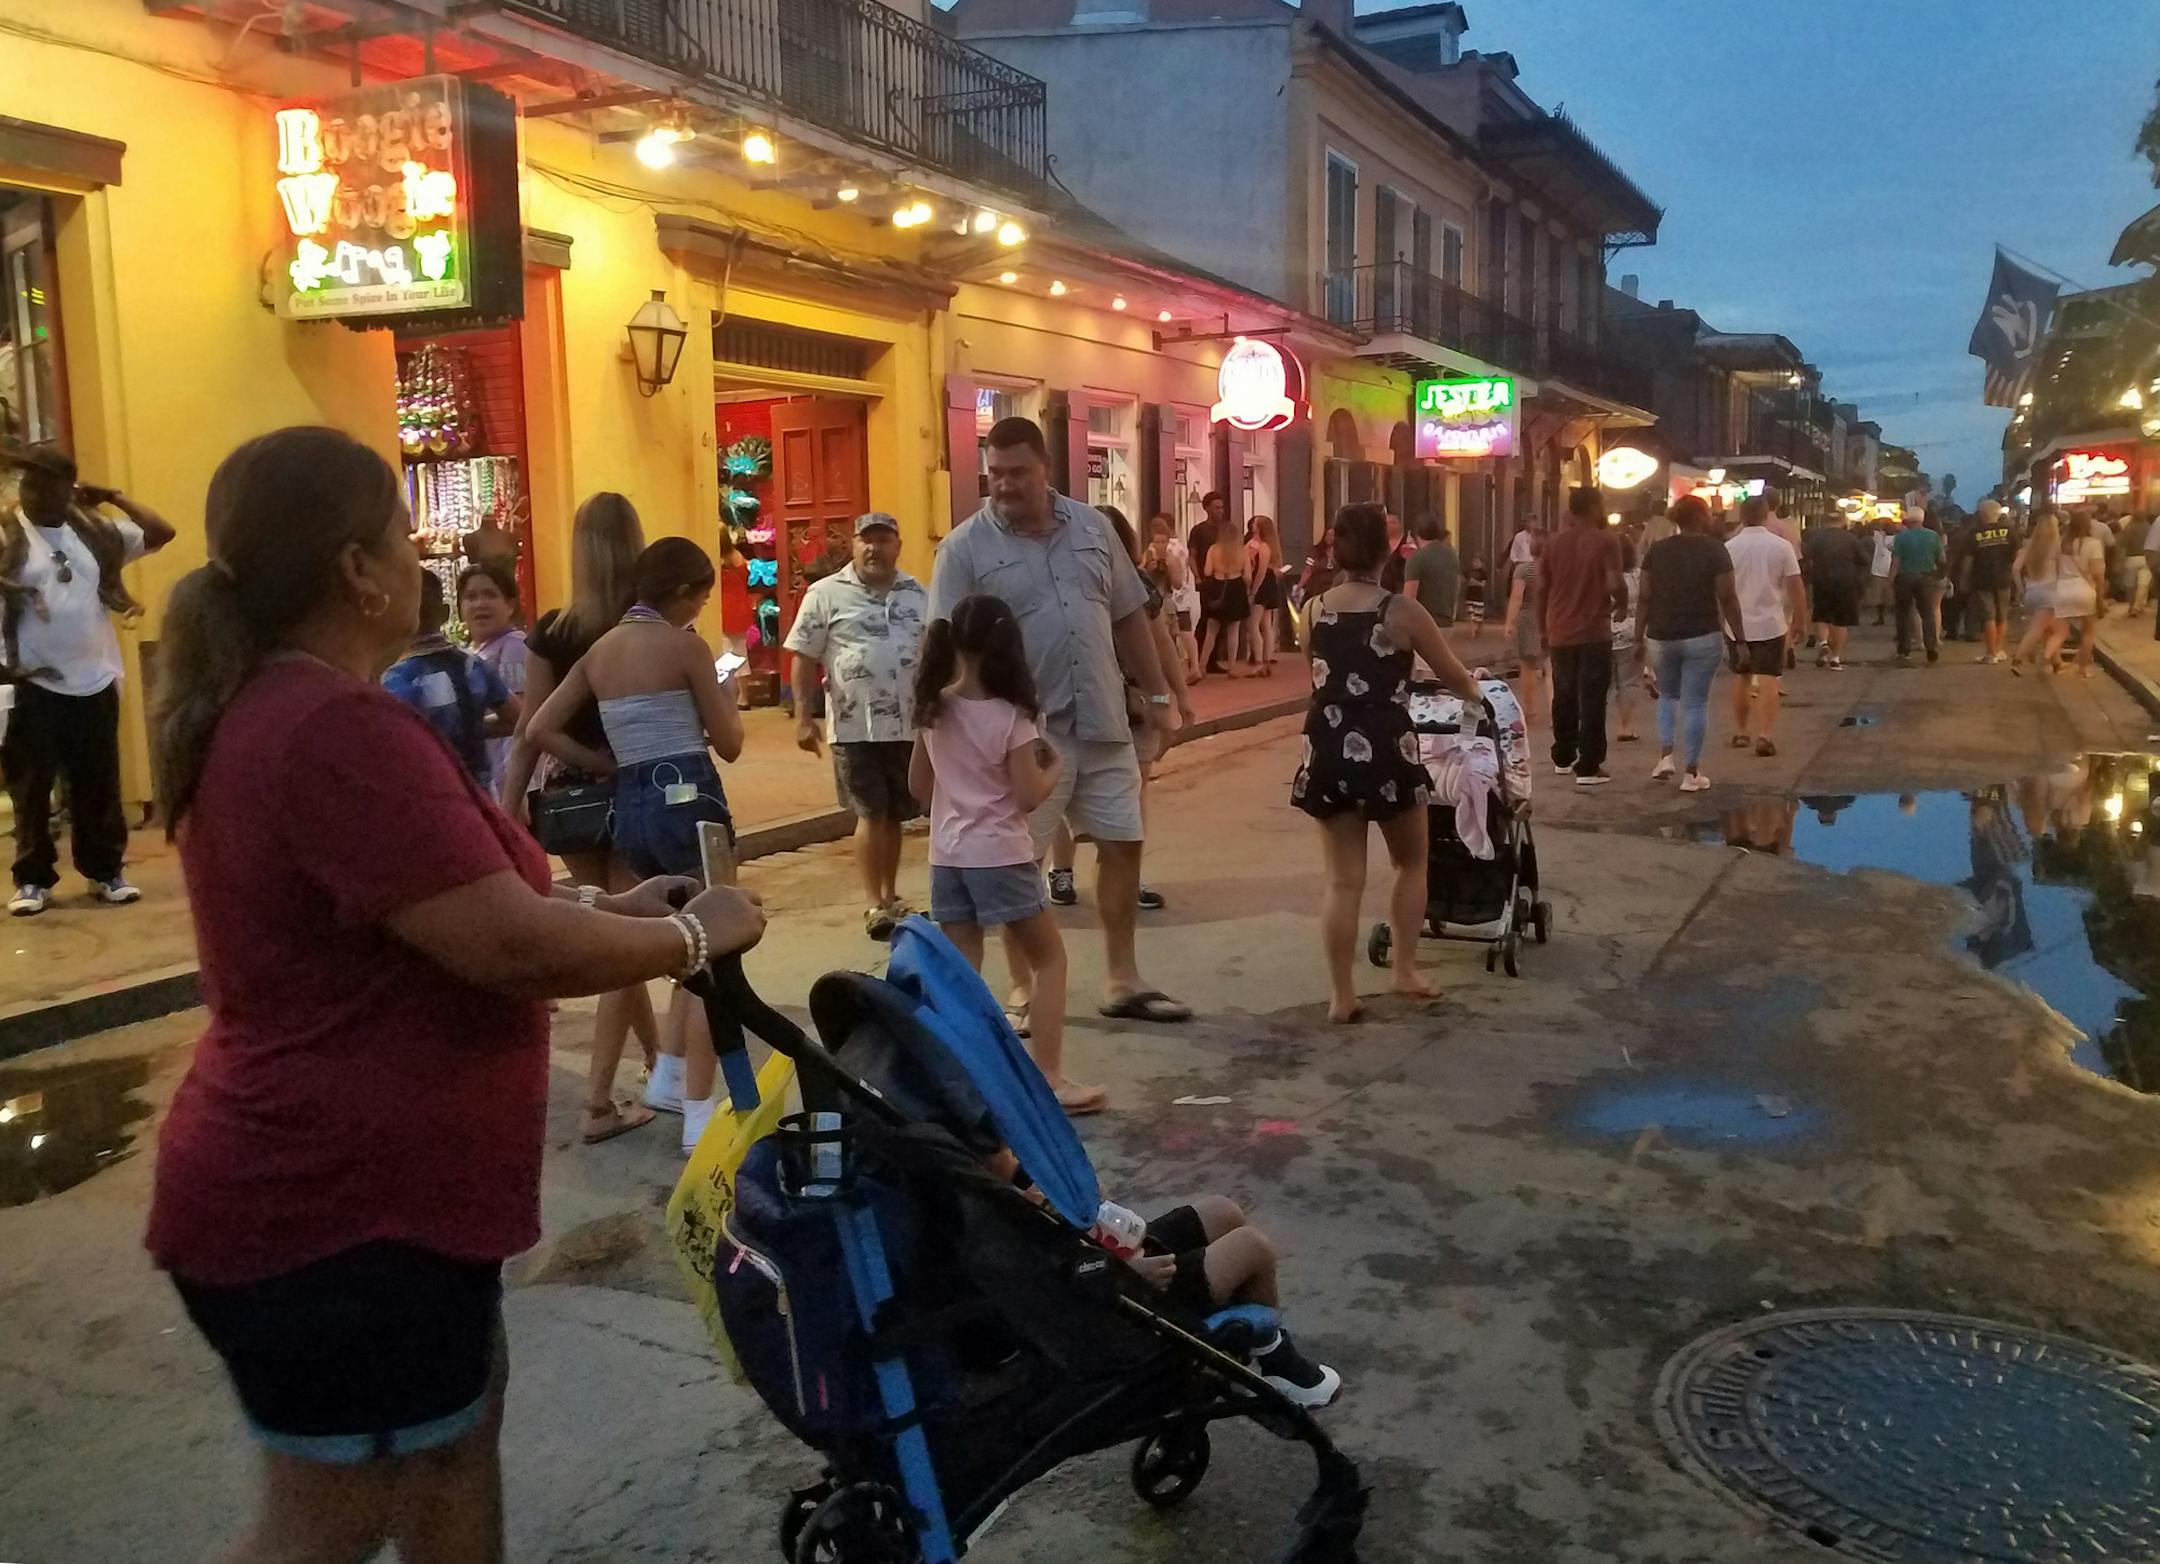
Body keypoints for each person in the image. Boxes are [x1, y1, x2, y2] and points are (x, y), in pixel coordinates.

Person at [143, 426, 765, 1564]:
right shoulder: (332, 724)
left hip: (385, 1205)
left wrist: (621, 916)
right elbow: (501, 947)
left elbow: (439, 914)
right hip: (338, 1212)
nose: (420, 557)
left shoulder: (301, 706)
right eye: (397, 530)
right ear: (354, 567)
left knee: (451, 1454)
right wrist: (686, 936)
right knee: (330, 1517)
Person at [930, 416, 1187, 1024]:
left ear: (1046, 468)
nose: (1004, 484)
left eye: (1018, 472)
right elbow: (941, 644)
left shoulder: (1094, 529)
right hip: (1023, 733)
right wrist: (943, 727)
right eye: (994, 473)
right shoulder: (964, 548)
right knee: (1021, 866)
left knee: (1124, 843)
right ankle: (1023, 990)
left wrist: (1157, 696)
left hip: (1102, 718)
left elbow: (1129, 615)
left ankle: (1122, 978)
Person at [526, 537, 744, 1153]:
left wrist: (600, 761)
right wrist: (724, 686)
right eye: (700, 596)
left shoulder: (600, 652)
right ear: (680, 592)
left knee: (676, 939)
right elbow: (728, 742)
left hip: (633, 803)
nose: (699, 609)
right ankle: (702, 1108)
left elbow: (539, 726)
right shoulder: (686, 648)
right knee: (714, 945)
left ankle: (671, 1075)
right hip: (688, 797)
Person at [497, 492, 661, 1136]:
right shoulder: (645, 628)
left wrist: (511, 806)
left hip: (568, 799)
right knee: (628, 942)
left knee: (614, 922)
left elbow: (529, 732)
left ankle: (658, 1061)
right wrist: (613, 762)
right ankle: (596, 1102)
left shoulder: (554, 630)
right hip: (634, 789)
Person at [1292, 501, 1484, 1024]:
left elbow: (1314, 660)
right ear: (1390, 550)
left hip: (1328, 742)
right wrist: (1475, 693)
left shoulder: (1312, 608)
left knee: (1341, 879)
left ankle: (1341, 994)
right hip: (1387, 742)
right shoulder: (1401, 611)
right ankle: (1403, 968)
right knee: (1411, 860)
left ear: (1334, 549)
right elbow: (1453, 675)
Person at [910, 595, 1103, 1114]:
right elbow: (1027, 796)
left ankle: (961, 1078)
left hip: (948, 854)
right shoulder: (1013, 716)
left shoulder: (934, 707)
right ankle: (1051, 1077)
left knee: (960, 970)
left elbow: (918, 786)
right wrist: (1055, 767)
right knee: (1049, 960)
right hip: (1000, 852)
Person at [0, 443, 175, 915]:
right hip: (33, 678)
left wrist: (114, 496)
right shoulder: (5, 535)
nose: (32, 492)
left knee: (97, 782)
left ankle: (104, 872)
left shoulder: (93, 531)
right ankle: (33, 880)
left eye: (44, 483)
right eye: (27, 482)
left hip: (95, 676)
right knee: (32, 787)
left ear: (67, 488)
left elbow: (162, 532)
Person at [785, 511, 930, 941]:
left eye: (883, 540)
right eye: (866, 540)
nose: (874, 548)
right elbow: (803, 656)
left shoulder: (918, 594)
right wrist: (802, 716)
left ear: (897, 546)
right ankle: (873, 902)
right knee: (870, 812)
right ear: (853, 545)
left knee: (893, 815)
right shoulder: (824, 594)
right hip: (855, 726)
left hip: (907, 725)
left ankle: (890, 894)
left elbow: (937, 652)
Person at [1047, 507, 1195, 914]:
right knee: (1063, 788)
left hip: (1135, 703)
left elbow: (1159, 640)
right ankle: (1062, 870)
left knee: (1133, 789)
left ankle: (1128, 875)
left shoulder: (1137, 584)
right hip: (1081, 701)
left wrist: (1175, 696)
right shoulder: (1062, 581)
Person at [1637, 494, 1743, 793]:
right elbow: (1728, 597)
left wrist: (1637, 636)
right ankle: (1691, 772)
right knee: (1696, 702)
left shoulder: (1657, 551)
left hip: (1661, 634)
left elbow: (1645, 596)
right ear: (1700, 517)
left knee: (1668, 695)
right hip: (1702, 633)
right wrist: (1740, 639)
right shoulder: (1715, 551)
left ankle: (1665, 756)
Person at [381, 571, 520, 789]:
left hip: (434, 797)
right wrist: (467, 725)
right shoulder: (472, 665)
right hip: (481, 794)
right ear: (446, 613)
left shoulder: (396, 681)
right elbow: (516, 718)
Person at [1539, 487, 1626, 786]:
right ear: (1592, 508)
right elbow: (1615, 581)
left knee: (1563, 694)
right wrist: (1623, 603)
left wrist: (1542, 626)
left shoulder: (1554, 543)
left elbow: (1541, 587)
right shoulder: (1606, 541)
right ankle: (1588, 765)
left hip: (1560, 630)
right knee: (1591, 697)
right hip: (1593, 631)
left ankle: (1562, 755)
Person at [1723, 495, 1804, 757]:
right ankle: (1765, 735)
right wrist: (1800, 620)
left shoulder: (1729, 547)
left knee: (1741, 676)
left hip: (1736, 624)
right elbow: (1795, 586)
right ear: (1766, 513)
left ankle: (1740, 731)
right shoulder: (1781, 546)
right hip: (1771, 623)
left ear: (1742, 516)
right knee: (1769, 677)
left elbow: (1721, 589)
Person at [458, 562, 528, 795]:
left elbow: (521, 718)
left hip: (513, 783)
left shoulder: (514, 646)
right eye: (471, 597)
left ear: (510, 604)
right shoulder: (469, 654)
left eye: (490, 594)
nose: (480, 604)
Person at [1801, 511, 1869, 670]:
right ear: (1842, 522)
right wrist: (1857, 577)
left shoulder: (1816, 539)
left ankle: (1824, 642)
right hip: (1846, 582)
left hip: (1822, 581)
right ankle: (1835, 658)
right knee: (1841, 621)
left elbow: (1805, 557)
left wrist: (1811, 573)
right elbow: (1864, 560)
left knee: (1822, 616)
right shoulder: (1851, 539)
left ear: (1826, 522)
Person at [1196, 513, 1255, 680]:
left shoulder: (1213, 550)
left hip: (1217, 586)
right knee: (1233, 631)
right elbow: (1248, 577)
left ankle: (1201, 666)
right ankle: (1232, 667)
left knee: (1211, 630)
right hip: (1236, 588)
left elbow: (1207, 571)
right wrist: (1248, 589)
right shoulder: (1242, 551)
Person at [1144, 512, 1200, 681]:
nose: (1159, 545)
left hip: (1173, 597)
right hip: (1180, 595)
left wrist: (1166, 566)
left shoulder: (1167, 552)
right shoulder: (1179, 546)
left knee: (1176, 634)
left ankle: (1189, 668)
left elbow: (1176, 579)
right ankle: (1191, 666)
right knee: (1182, 633)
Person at [2010, 510, 2066, 676]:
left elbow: (2015, 568)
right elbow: (2062, 571)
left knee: (2050, 628)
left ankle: (2057, 662)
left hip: (2032, 592)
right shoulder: (2058, 547)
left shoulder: (2029, 546)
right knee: (2038, 629)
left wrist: (2021, 589)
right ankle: (2018, 659)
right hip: (2050, 592)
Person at [1501, 530, 1547, 727]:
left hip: (1528, 619)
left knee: (1527, 667)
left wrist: (1509, 623)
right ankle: (1555, 708)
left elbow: (1516, 597)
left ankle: (1530, 711)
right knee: (1551, 668)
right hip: (1550, 618)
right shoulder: (1555, 569)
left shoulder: (1524, 570)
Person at [1962, 499, 2018, 665]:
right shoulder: (2009, 532)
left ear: (1982, 514)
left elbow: (1968, 560)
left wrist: (1964, 579)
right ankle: (1998, 650)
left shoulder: (1975, 533)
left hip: (1983, 579)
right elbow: (2017, 554)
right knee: (2002, 616)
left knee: (1988, 616)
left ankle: (1990, 653)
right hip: (2004, 579)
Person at [1890, 506, 1946, 665]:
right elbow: (1942, 558)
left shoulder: (1901, 537)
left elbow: (1896, 562)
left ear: (1908, 520)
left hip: (1905, 578)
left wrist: (1890, 580)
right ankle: (1931, 646)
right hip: (1927, 577)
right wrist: (1938, 574)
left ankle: (1904, 650)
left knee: (1903, 614)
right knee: (1927, 613)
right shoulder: (1933, 536)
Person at [2056, 511, 2108, 679]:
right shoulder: (2093, 544)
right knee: (2088, 632)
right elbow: (2098, 574)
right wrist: (2100, 594)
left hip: (2062, 589)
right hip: (2085, 590)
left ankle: (2054, 662)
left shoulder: (2062, 543)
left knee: (2058, 632)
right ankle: (2083, 669)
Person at [1404, 513, 1461, 631]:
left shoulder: (1416, 558)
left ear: (1417, 534)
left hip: (1423, 624)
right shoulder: (1452, 554)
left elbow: (1409, 597)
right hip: (1446, 622)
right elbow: (1457, 584)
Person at [1610, 537, 1643, 744]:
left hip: (1602, 631)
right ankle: (1625, 726)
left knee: (1601, 683)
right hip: (1631, 631)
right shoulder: (1638, 577)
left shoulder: (1603, 577)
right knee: (1629, 682)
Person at [1246, 513, 1285, 674]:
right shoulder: (1269, 546)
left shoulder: (1262, 548)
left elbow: (1261, 571)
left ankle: (1259, 661)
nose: (1252, 526)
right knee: (1266, 625)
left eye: (1255, 524)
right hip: (1269, 584)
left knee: (1253, 624)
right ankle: (1266, 659)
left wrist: (1253, 591)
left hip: (1262, 584)